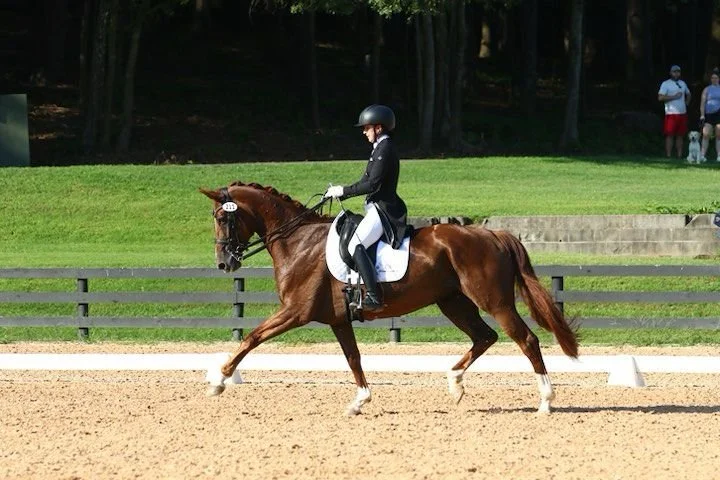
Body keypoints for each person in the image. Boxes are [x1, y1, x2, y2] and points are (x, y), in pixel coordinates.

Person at [324, 104, 409, 311]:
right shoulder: (379, 148)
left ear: (378, 128)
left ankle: (373, 296)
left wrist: (343, 191)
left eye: (366, 128)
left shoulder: (385, 148)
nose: (364, 132)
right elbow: (365, 179)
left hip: (385, 209)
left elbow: (373, 184)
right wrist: (340, 191)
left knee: (355, 245)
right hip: (375, 208)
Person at [658, 64, 691, 159]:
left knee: (680, 135)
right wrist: (674, 97)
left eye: (678, 72)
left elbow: (688, 94)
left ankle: (679, 156)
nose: (676, 74)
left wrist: (686, 103)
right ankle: (668, 156)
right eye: (674, 72)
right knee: (670, 135)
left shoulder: (683, 83)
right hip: (671, 114)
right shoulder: (666, 84)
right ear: (670, 73)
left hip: (682, 113)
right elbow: (660, 97)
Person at [699, 67, 720, 162]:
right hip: (709, 114)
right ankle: (702, 155)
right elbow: (702, 103)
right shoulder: (706, 89)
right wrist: (702, 115)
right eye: (712, 78)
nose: (714, 79)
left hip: (719, 113)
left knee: (718, 134)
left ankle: (719, 155)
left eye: (716, 78)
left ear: (718, 79)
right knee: (706, 134)